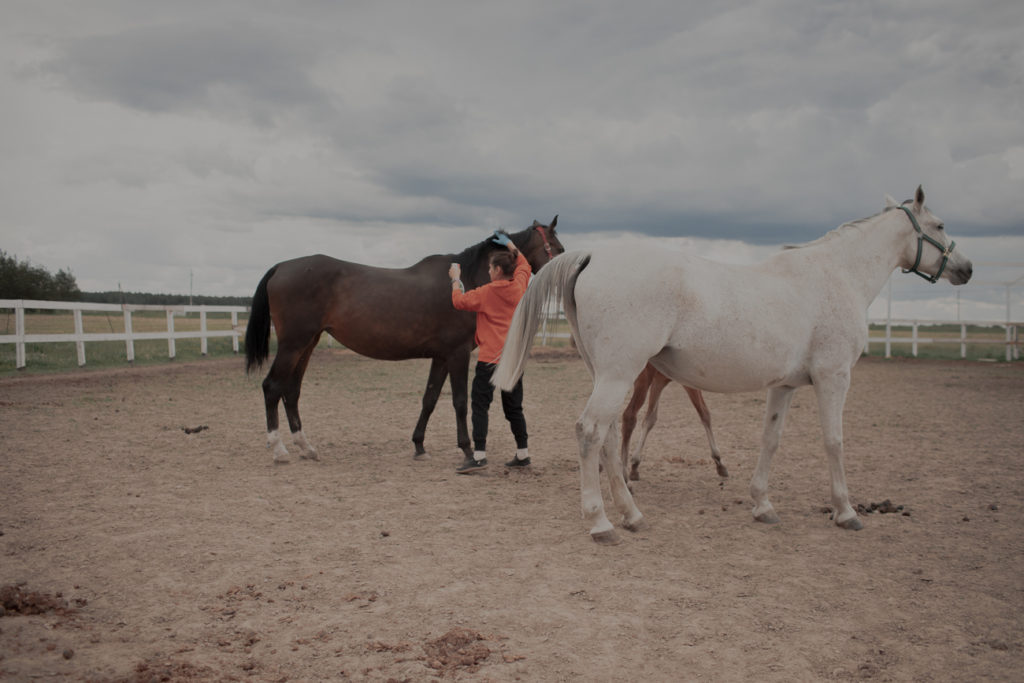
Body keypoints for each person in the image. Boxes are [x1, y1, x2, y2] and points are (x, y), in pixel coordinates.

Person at [449, 231, 531, 473]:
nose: (488, 271)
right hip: (513, 358)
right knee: (514, 408)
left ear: (497, 270)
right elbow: (524, 264)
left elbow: (458, 302)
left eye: (490, 268)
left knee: (481, 406)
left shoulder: (486, 293)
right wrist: (511, 244)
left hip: (490, 360)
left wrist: (456, 279)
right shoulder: (519, 286)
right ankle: (523, 453)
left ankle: (479, 456)